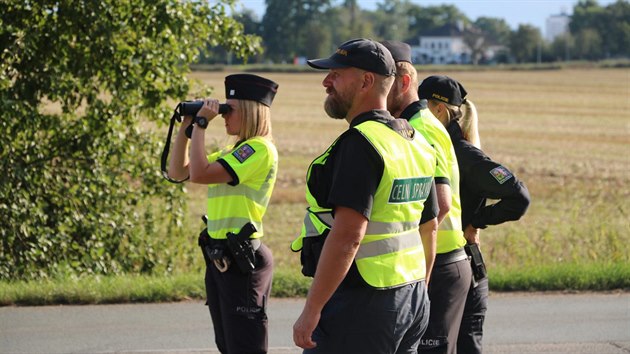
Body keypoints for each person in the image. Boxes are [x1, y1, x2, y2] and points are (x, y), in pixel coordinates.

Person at [290, 38, 439, 354]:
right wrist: (420, 290)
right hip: (411, 296)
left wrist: (312, 308)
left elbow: (348, 236)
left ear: (366, 82)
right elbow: (430, 227)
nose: (326, 81)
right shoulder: (416, 144)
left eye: (337, 74)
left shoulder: (361, 144)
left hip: (363, 302)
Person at [418, 75, 531, 354]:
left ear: (438, 110)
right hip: (460, 271)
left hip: (461, 269)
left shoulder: (464, 155)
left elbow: (519, 197)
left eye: (420, 107)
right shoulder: (441, 147)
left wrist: (476, 222)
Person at [167, 73, 279, 354]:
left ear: (251, 111)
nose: (224, 116)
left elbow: (201, 174)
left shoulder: (259, 149)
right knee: (228, 345)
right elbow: (178, 172)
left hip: (243, 261)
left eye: (230, 110)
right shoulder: (233, 151)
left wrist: (203, 124)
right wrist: (187, 127)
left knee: (245, 346)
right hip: (222, 258)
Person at [380, 41, 472, 354]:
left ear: (404, 82)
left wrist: (413, 263)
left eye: (385, 81)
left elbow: (440, 205)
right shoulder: (416, 123)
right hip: (436, 261)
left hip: (439, 263)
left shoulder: (420, 127)